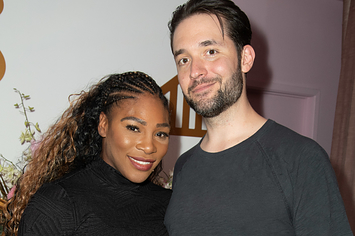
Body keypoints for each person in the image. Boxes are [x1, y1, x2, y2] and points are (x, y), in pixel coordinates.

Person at [164, 0, 353, 235]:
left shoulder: (301, 159)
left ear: (246, 59)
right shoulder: (184, 167)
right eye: (184, 59)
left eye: (210, 52)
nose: (195, 71)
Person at [4, 71, 172, 236]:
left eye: (160, 134)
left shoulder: (172, 204)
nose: (149, 146)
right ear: (104, 124)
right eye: (134, 128)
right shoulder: (58, 204)